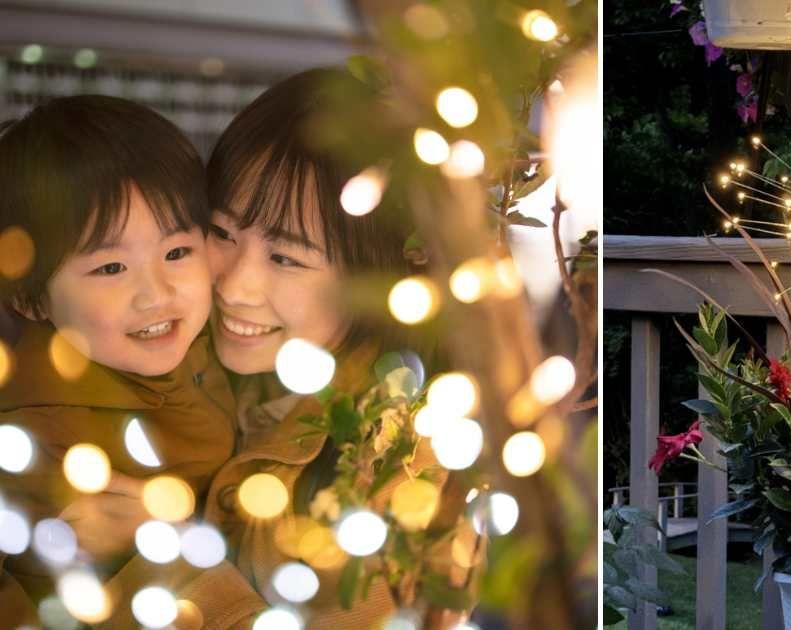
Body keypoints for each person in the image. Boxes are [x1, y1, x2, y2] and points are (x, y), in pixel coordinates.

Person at [196, 68, 479, 627]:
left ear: (372, 282)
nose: (232, 286)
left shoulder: (395, 462)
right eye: (222, 233)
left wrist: (143, 560)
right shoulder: (184, 367)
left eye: (285, 257)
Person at [0, 96, 246, 625]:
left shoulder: (216, 338)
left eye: (177, 253)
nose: (155, 293)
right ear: (30, 299)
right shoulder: (34, 435)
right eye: (111, 267)